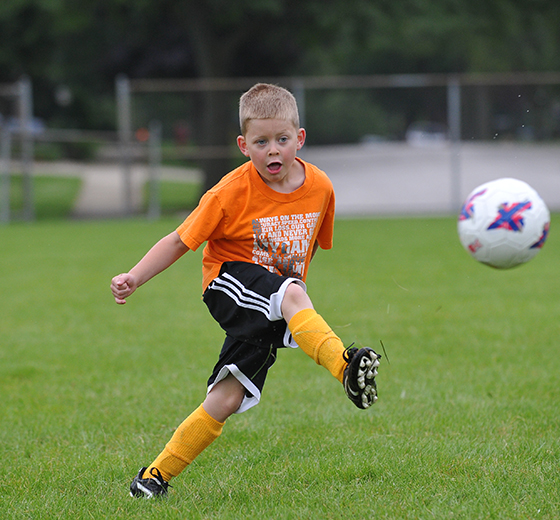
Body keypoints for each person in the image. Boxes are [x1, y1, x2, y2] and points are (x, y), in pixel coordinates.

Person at [111, 83, 380, 498]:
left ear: (300, 138)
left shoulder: (321, 187)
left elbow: (307, 252)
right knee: (291, 293)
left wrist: (292, 307)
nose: (273, 150)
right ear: (243, 145)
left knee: (227, 397)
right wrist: (134, 276)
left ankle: (152, 478)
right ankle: (345, 368)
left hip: (272, 301)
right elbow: (180, 240)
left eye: (282, 140)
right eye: (261, 142)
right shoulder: (228, 193)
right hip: (227, 284)